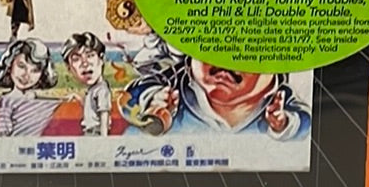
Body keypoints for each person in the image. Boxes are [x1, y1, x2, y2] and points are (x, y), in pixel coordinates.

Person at [122, 55, 310, 140]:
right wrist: (152, 100)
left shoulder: (281, 101)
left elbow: (305, 125)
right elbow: (130, 96)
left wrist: (284, 124)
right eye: (212, 47)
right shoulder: (174, 83)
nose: (225, 61)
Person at [0, 38, 61, 137]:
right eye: (21, 66)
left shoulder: (45, 102)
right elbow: (4, 134)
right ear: (10, 64)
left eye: (35, 71)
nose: (26, 76)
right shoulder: (6, 102)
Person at [62, 31, 112, 136]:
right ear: (69, 68)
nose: (85, 63)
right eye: (76, 59)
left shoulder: (102, 90)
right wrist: (77, 97)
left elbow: (104, 115)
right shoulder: (94, 89)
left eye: (90, 55)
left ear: (102, 59)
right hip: (89, 132)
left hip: (96, 133)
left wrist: (104, 140)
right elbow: (90, 108)